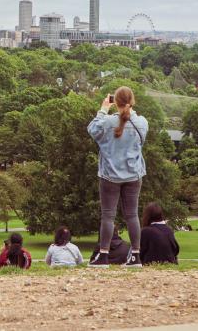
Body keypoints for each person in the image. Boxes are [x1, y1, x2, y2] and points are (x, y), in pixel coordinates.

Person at [87, 86, 148, 268]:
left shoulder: (106, 122)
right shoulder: (142, 122)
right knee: (132, 215)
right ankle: (135, 256)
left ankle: (104, 255)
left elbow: (91, 129)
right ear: (132, 100)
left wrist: (103, 109)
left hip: (110, 175)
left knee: (108, 216)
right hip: (133, 174)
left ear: (116, 102)